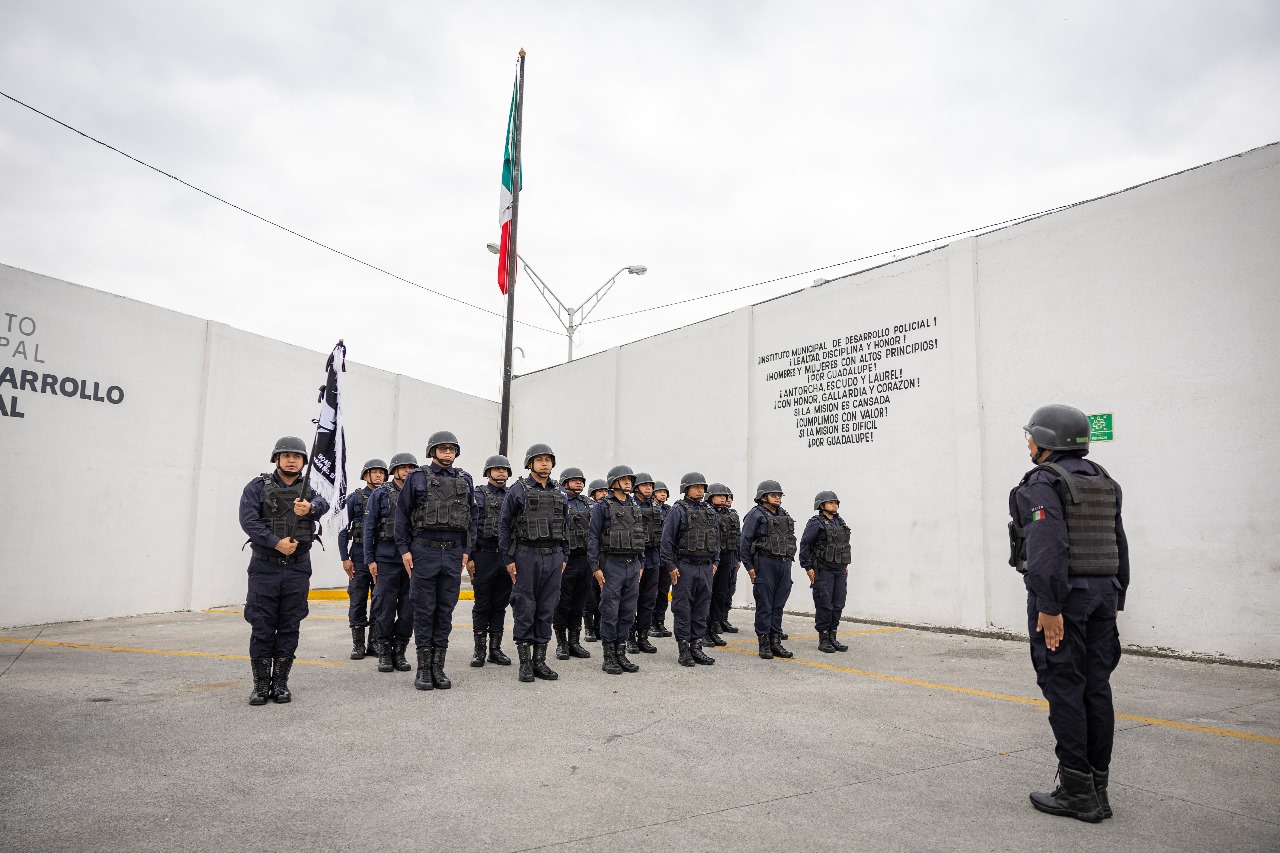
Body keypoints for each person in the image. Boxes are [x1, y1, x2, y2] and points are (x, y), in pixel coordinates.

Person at [1011, 404, 1129, 823]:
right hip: (1102, 594)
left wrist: (1049, 605)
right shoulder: (1103, 479)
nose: (1027, 443)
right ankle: (1098, 789)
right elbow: (1118, 540)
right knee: (1096, 690)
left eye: (1031, 436)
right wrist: (1116, 600)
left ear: (1046, 442)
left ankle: (1077, 792)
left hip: (1066, 598)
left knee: (1065, 688)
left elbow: (1047, 545)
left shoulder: (1044, 482)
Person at [238, 436, 330, 705]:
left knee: (289, 624)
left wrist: (311, 508)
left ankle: (280, 684)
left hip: (297, 568)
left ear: (304, 461)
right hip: (264, 567)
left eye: (297, 456)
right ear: (276, 458)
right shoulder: (257, 486)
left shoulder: (311, 488)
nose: (292, 460)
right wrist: (275, 542)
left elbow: (326, 503)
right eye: (286, 455)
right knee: (262, 625)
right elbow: (249, 521)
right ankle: (260, 685)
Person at [396, 430, 476, 691]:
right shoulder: (417, 477)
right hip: (424, 551)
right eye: (443, 449)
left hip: (453, 553)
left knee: (445, 611)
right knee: (424, 610)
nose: (448, 453)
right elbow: (402, 515)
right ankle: (423, 670)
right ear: (432, 451)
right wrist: (404, 550)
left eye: (452, 449)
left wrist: (467, 549)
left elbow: (472, 518)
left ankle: (438, 668)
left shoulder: (465, 479)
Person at [500, 444, 569, 683]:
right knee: (525, 606)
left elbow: (566, 526)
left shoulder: (560, 492)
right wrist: (508, 559)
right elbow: (504, 525)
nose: (544, 464)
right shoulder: (517, 490)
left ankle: (540, 661)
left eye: (548, 460)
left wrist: (564, 555)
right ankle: (526, 663)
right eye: (539, 460)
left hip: (553, 556)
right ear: (530, 463)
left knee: (547, 608)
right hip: (526, 555)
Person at [587, 465, 646, 675]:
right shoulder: (602, 507)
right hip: (612, 564)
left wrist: (641, 563)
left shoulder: (634, 506)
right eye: (624, 479)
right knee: (610, 611)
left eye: (630, 479)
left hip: (633, 564)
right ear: (614, 483)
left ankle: (621, 653)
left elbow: (639, 535)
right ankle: (608, 656)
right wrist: (595, 567)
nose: (629, 482)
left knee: (628, 611)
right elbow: (593, 537)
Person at [661, 472, 720, 667]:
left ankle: (697, 647)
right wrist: (670, 566)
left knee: (702, 608)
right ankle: (684, 649)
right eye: (696, 487)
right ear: (686, 489)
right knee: (683, 608)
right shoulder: (678, 510)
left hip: (705, 567)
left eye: (702, 487)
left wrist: (715, 562)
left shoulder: (710, 511)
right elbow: (667, 540)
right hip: (685, 567)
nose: (700, 490)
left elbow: (716, 539)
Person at [366, 452, 417, 674]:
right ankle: (384, 652)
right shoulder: (380, 494)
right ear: (394, 470)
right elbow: (369, 528)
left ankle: (400, 651)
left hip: (413, 562)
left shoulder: (419, 493)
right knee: (384, 609)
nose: (406, 471)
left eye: (410, 467)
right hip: (386, 560)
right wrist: (370, 560)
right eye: (402, 467)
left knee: (409, 610)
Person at [740, 479, 796, 660]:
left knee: (778, 605)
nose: (778, 498)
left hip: (784, 563)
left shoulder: (784, 515)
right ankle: (764, 643)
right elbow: (744, 542)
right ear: (763, 497)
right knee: (765, 605)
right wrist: (749, 567)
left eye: (779, 495)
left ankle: (776, 641)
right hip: (765, 563)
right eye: (774, 495)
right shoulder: (755, 515)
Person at [468, 454, 514, 668]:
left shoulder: (513, 495)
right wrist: (470, 556)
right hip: (483, 555)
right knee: (482, 603)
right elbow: (469, 526)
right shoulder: (477, 494)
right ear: (488, 472)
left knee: (500, 604)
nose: (501, 472)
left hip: (505, 557)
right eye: (496, 469)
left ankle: (495, 650)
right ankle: (480, 650)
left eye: (504, 469)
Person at [339, 458, 387, 660]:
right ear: (365, 475)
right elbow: (343, 528)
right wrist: (344, 557)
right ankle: (358, 645)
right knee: (357, 601)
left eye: (381, 473)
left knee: (380, 601)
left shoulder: (388, 496)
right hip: (358, 556)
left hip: (381, 557)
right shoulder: (355, 498)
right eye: (374, 472)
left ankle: (374, 643)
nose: (378, 476)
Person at [799, 490, 851, 654]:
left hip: (839, 569)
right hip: (823, 569)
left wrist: (844, 566)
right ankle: (823, 638)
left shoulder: (839, 522)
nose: (835, 505)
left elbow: (841, 546)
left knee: (838, 603)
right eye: (831, 502)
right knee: (824, 604)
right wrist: (808, 567)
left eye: (836, 502)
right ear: (821, 505)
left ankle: (832, 636)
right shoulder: (816, 523)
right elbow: (805, 544)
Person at [553, 467, 593, 662]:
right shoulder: (559, 501)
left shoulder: (589, 504)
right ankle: (561, 642)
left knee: (579, 602)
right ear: (564, 482)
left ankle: (574, 641)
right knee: (563, 602)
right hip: (565, 560)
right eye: (574, 480)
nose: (579, 483)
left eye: (581, 480)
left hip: (585, 560)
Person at [628, 472, 662, 655]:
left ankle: (643, 636)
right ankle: (630, 637)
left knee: (648, 601)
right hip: (635, 559)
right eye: (644, 485)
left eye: (650, 485)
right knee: (631, 601)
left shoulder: (656, 508)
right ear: (636, 488)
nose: (649, 488)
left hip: (654, 559)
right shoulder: (630, 506)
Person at [703, 483, 738, 647]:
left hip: (727, 557)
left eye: (726, 496)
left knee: (720, 594)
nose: (724, 498)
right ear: (710, 497)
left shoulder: (730, 515)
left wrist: (736, 559)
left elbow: (737, 537)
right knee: (706, 595)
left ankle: (713, 627)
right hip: (710, 559)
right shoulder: (705, 512)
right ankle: (703, 630)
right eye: (720, 495)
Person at [582, 478, 609, 642]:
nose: (604, 494)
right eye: (601, 491)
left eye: (606, 491)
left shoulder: (609, 510)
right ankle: (589, 628)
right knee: (590, 596)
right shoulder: (588, 509)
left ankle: (599, 626)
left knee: (602, 593)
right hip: (590, 556)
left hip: (605, 556)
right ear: (593, 494)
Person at [649, 481, 674, 638]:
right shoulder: (650, 509)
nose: (663, 494)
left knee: (664, 591)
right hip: (653, 554)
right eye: (659, 492)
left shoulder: (670, 510)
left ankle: (660, 621)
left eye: (665, 492)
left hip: (666, 555)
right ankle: (650, 623)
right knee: (652, 591)